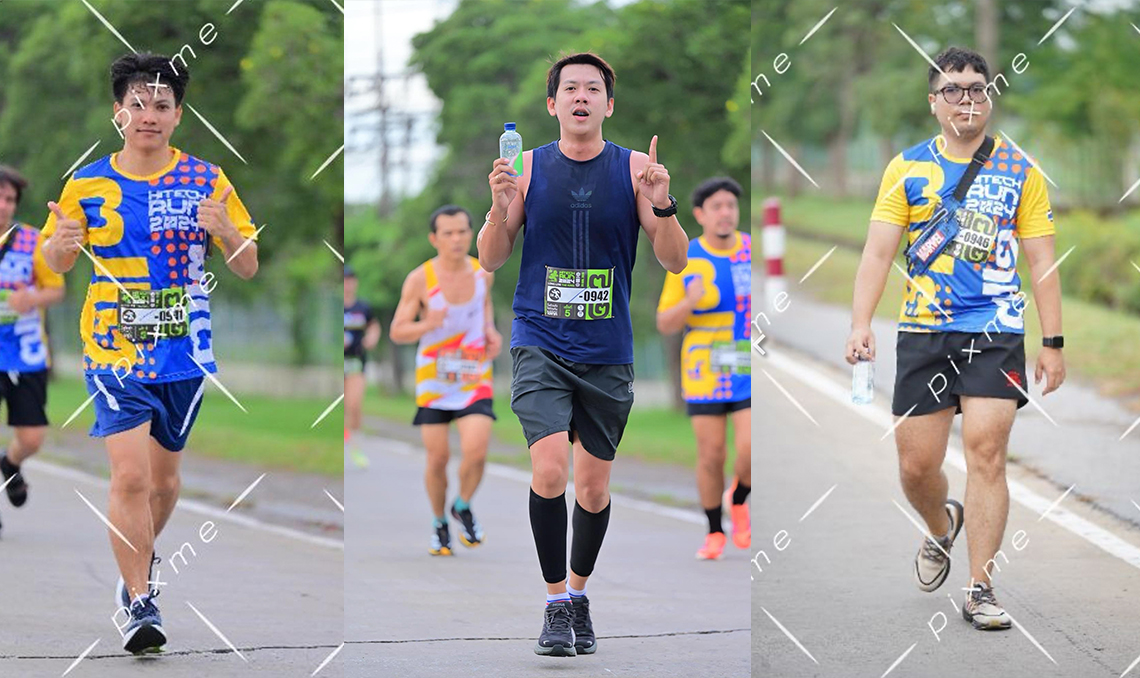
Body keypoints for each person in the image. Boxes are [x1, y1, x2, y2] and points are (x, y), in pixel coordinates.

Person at [42, 53, 259, 654]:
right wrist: (61, 244)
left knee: (163, 483)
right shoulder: (86, 183)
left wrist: (227, 231)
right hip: (112, 348)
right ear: (119, 113)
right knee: (131, 475)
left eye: (162, 105)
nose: (149, 115)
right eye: (137, 104)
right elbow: (58, 261)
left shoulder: (207, 179)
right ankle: (140, 601)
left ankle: (136, 560)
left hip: (183, 352)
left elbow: (247, 266)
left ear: (178, 115)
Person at [844, 47, 1063, 631]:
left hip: (996, 329)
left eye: (977, 89)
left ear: (989, 96)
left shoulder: (1021, 170)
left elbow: (1042, 261)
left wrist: (1054, 340)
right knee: (917, 466)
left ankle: (980, 587)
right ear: (934, 102)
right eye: (954, 90)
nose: (967, 99)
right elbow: (878, 252)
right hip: (924, 330)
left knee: (987, 453)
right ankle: (941, 526)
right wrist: (861, 323)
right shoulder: (906, 168)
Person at [478, 52, 688, 657]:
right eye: (569, 88)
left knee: (592, 491)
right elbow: (491, 257)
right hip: (539, 339)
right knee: (550, 471)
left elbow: (675, 260)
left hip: (606, 350)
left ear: (608, 105)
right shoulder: (524, 168)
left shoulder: (637, 169)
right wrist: (497, 205)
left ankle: (578, 594)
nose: (580, 97)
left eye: (593, 89)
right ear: (552, 104)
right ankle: (553, 606)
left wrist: (664, 202)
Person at [390, 205, 501, 556]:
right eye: (448, 233)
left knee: (477, 452)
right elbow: (397, 331)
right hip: (434, 381)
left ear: (471, 234)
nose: (456, 239)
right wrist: (427, 323)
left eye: (462, 232)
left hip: (473, 376)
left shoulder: (483, 273)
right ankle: (439, 522)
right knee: (438, 459)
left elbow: (485, 309)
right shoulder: (420, 279)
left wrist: (491, 332)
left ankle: (462, 505)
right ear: (434, 239)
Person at [656, 176, 751, 561]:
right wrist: (689, 302)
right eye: (717, 207)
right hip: (703, 370)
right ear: (700, 214)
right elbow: (665, 322)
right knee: (711, 455)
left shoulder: (751, 251)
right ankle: (714, 531)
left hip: (746, 365)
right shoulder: (687, 257)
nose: (725, 213)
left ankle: (739, 497)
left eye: (731, 205)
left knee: (750, 449)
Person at [0, 166, 67, 535]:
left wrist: (32, 298)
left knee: (32, 438)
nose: (4, 206)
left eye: (10, 199)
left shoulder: (33, 241)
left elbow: (56, 290)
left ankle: (10, 464)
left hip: (25, 355)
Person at [344, 265, 380, 446]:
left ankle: (355, 441)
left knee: (354, 404)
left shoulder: (363, 307)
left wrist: (371, 338)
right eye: (345, 280)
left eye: (350, 280)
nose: (348, 284)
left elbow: (373, 326)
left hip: (356, 360)